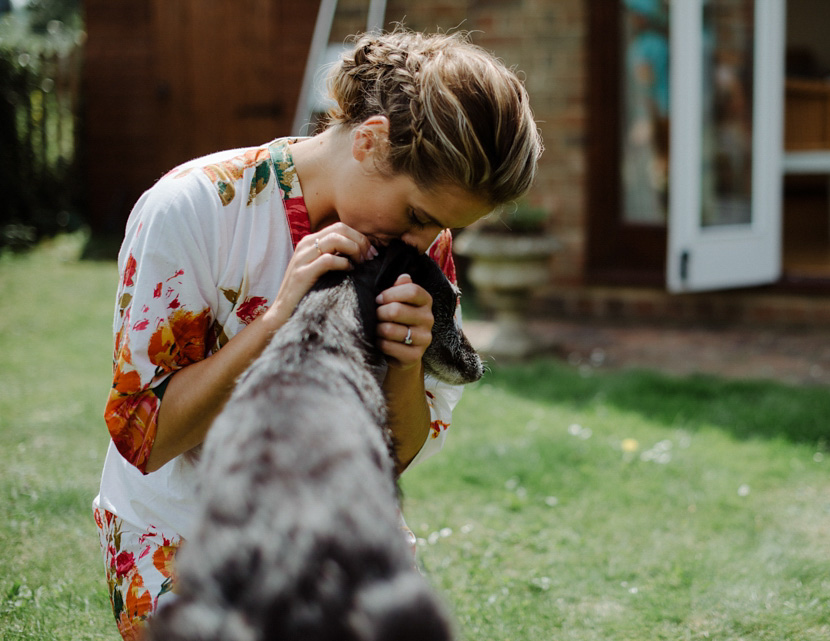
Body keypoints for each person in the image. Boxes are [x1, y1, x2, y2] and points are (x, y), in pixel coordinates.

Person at [92, 29, 541, 639]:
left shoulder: (418, 244)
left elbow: (394, 457)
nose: (424, 244)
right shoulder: (194, 208)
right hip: (185, 542)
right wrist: (274, 320)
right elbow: (147, 442)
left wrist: (406, 366)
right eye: (417, 215)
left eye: (440, 228)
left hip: (340, 544)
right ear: (371, 140)